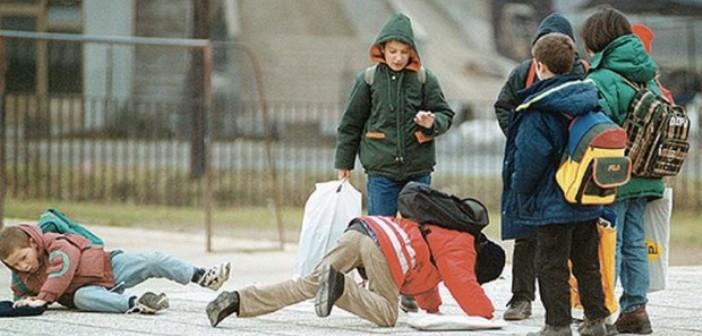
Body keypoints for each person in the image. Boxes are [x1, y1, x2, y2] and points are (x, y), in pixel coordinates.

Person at [334, 13, 454, 312]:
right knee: (381, 235)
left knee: (416, 234)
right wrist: (344, 160)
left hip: (417, 169)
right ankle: (381, 289)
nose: (398, 57)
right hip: (381, 170)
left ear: (411, 51)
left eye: (403, 51)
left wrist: (431, 122)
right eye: (392, 51)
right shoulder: (368, 80)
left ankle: (411, 290)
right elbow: (351, 124)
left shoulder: (426, 79)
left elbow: (445, 115)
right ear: (382, 50)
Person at [501, 33, 610, 336]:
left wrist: (521, 190)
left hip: (552, 204)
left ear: (538, 65)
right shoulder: (588, 99)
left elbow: (531, 160)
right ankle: (597, 319)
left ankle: (558, 324)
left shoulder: (538, 109)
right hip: (586, 199)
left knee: (551, 265)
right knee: (587, 263)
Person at [206, 215, 497, 328]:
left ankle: (236, 300)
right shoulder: (463, 247)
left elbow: (427, 288)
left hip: (363, 229)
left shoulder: (447, 234)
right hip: (384, 248)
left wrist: (432, 310)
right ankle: (341, 287)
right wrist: (487, 314)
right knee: (387, 315)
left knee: (308, 284)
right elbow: (465, 288)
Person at [493, 12, 588, 321]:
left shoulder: (582, 73)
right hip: (534, 162)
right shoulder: (523, 72)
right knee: (526, 233)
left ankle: (570, 304)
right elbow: (503, 106)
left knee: (570, 238)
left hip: (569, 168)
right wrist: (519, 137)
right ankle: (521, 298)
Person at [582, 7, 665, 334]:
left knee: (607, 243)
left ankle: (602, 311)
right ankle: (636, 309)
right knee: (634, 241)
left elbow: (597, 127)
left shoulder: (600, 77)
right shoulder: (648, 74)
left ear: (596, 40)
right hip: (647, 173)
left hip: (613, 175)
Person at [0, 224, 231, 314]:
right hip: (86, 291)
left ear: (32, 243)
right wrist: (24, 302)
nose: (23, 266)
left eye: (23, 258)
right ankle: (138, 304)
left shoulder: (53, 242)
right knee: (83, 298)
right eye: (15, 265)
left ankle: (202, 276)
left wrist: (43, 298)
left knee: (152, 259)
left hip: (108, 265)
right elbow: (20, 295)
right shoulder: (22, 275)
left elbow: (65, 265)